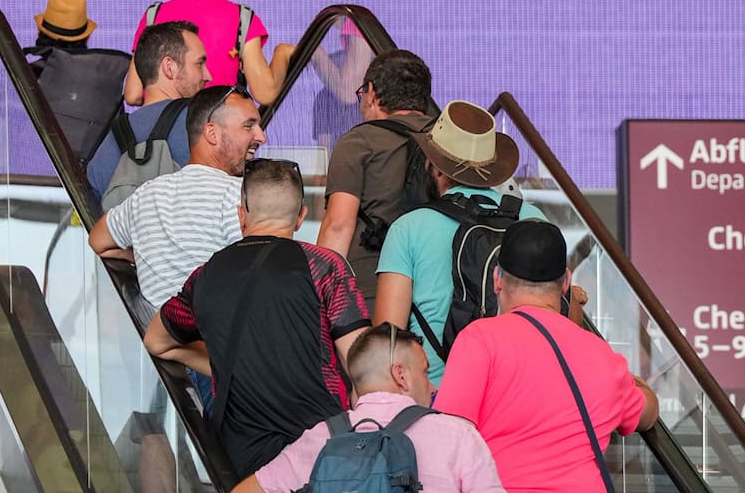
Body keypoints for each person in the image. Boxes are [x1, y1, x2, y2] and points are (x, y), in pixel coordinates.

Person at [144, 158, 370, 478]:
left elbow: (157, 341)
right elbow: (363, 365)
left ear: (241, 215)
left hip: (245, 464)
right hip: (324, 454)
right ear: (300, 216)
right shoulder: (323, 267)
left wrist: (224, 367)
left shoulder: (206, 276)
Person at [434, 220, 660, 491]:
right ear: (566, 282)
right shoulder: (600, 354)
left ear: (497, 279)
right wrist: (634, 383)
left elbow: (447, 441)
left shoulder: (479, 340)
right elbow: (647, 413)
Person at [373, 100, 545, 385]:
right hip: (518, 394)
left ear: (436, 168)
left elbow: (386, 340)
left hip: (438, 396)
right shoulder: (534, 221)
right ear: (492, 168)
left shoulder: (409, 228)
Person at [232, 323, 506, 493]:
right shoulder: (457, 435)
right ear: (400, 375)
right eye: (424, 372)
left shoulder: (322, 437)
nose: (432, 386)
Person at [88, 84, 266, 316]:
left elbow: (98, 242)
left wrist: (141, 257)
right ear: (212, 133)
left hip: (160, 344)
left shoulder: (147, 194)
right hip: (222, 344)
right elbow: (267, 282)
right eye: (248, 126)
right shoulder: (241, 196)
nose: (261, 136)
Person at [316, 49, 435, 309]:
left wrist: (319, 298)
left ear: (371, 93)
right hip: (436, 288)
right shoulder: (443, 143)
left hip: (370, 290)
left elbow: (338, 225)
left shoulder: (359, 142)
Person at [123, 0, 294, 106]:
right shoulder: (243, 18)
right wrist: (282, 53)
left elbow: (133, 94)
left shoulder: (154, 14)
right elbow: (266, 93)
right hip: (217, 127)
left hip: (165, 128)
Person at [87, 21, 211, 201]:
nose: (208, 76)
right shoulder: (201, 124)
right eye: (199, 64)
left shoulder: (103, 150)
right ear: (170, 67)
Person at [25, 0, 131, 162]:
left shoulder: (26, 77)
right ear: (86, 37)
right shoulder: (107, 81)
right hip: (88, 178)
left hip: (32, 171)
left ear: (40, 32)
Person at [309, 17, 375, 151]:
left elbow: (348, 91)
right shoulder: (324, 98)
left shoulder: (357, 21)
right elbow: (325, 154)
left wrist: (310, 49)